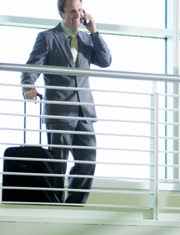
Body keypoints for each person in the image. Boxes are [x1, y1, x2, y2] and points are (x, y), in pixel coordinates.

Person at [21, 0, 112, 204]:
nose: (77, 15)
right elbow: (31, 67)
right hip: (60, 112)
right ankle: (54, 205)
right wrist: (28, 86)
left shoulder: (87, 39)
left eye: (80, 10)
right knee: (58, 164)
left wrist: (94, 32)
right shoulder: (48, 38)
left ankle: (74, 205)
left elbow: (105, 61)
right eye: (72, 11)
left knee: (88, 162)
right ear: (61, 14)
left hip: (84, 113)